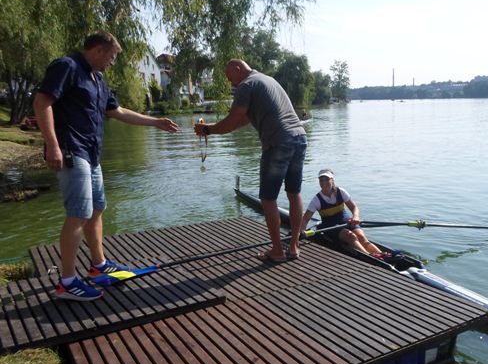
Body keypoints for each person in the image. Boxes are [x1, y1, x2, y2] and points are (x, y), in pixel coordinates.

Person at [33, 31, 178, 301]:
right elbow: (42, 103)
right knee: (78, 214)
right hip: (71, 150)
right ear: (98, 50)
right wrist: (52, 145)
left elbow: (117, 112)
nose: (112, 62)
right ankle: (67, 282)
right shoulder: (67, 66)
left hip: (91, 154)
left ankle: (98, 265)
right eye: (111, 57)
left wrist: (155, 122)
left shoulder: (97, 79)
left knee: (97, 208)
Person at [194, 59, 307, 263]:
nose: (231, 84)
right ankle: (294, 247)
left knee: (268, 198)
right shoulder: (267, 80)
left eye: (230, 78)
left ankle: (277, 251)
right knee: (294, 193)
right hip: (299, 137)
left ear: (238, 69)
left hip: (278, 141)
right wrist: (210, 127)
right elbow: (242, 120)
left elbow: (231, 121)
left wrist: (207, 130)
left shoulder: (246, 85)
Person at [301, 169, 382, 255]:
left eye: (327, 179)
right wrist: (301, 233)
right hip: (330, 226)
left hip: (345, 221)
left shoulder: (341, 192)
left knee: (361, 237)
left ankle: (383, 255)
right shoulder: (316, 200)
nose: (324, 182)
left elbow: (354, 207)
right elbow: (305, 219)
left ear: (332, 180)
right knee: (351, 236)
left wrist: (355, 216)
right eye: (321, 180)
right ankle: (369, 256)